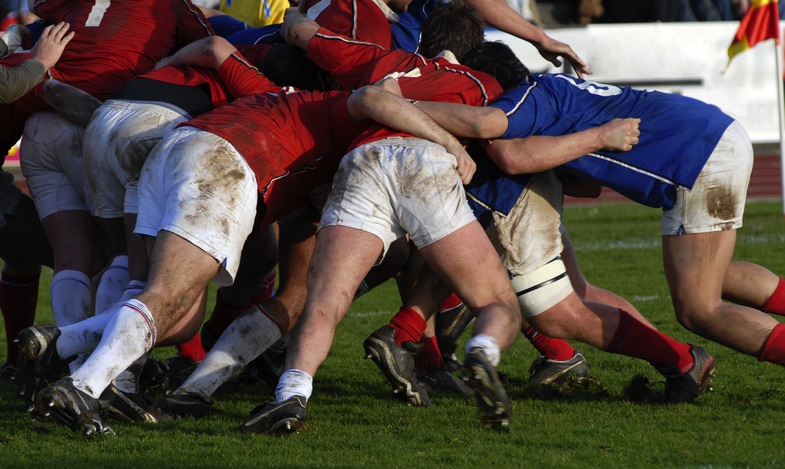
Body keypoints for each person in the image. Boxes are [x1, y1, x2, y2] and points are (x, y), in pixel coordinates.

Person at [16, 37, 479, 436]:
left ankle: (62, 342)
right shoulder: (346, 110)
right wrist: (452, 144)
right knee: (171, 298)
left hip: (170, 151)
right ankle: (80, 387)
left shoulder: (288, 104)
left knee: (167, 305)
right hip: (225, 162)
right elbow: (374, 98)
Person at [417, 40, 785, 385]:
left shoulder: (523, 100)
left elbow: (506, 150)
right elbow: (588, 186)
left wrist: (407, 105)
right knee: (710, 275)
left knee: (699, 309)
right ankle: (677, 361)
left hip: (698, 157)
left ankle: (682, 362)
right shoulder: (554, 90)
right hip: (712, 133)